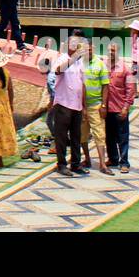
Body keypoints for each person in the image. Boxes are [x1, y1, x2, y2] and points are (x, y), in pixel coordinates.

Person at [50, 34, 87, 176]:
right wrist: (73, 58)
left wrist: (83, 105)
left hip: (76, 105)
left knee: (76, 135)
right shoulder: (62, 59)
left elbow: (82, 83)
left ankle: (76, 163)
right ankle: (61, 164)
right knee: (61, 136)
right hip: (63, 103)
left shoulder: (80, 62)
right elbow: (58, 70)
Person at [81, 40, 113, 174]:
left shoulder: (100, 64)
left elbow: (105, 85)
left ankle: (102, 164)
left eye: (89, 49)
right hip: (81, 106)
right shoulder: (78, 64)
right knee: (82, 135)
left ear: (93, 48)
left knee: (99, 134)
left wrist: (103, 105)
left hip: (96, 105)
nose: (87, 52)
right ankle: (87, 158)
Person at [104, 43, 136, 173]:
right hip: (107, 108)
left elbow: (131, 89)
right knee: (109, 136)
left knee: (122, 137)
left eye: (113, 50)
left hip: (119, 108)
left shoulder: (125, 69)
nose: (110, 52)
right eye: (109, 50)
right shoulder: (104, 66)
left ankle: (124, 163)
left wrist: (126, 107)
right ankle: (113, 159)